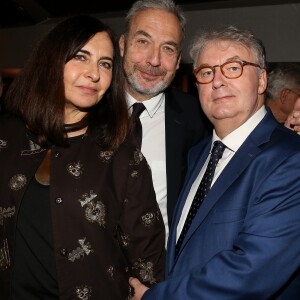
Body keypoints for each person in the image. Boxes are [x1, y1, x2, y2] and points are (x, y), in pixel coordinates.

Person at [0, 15, 165, 299]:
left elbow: (147, 253)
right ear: (52, 60)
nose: (94, 74)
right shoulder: (7, 134)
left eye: (105, 63)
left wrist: (152, 293)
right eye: (81, 57)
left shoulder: (122, 157)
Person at [129, 25, 300, 299]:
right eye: (206, 72)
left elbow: (251, 273)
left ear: (261, 81)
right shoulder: (198, 153)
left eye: (233, 67)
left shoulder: (291, 159)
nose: (217, 81)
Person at [119, 0, 209, 242]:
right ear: (122, 45)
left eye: (168, 48)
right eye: (143, 42)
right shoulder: (86, 110)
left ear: (178, 61)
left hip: (164, 271)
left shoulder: (200, 118)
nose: (154, 60)